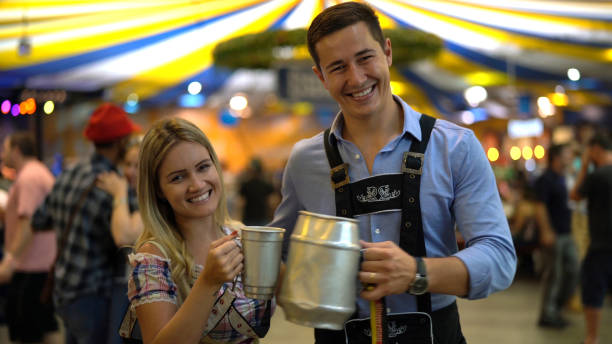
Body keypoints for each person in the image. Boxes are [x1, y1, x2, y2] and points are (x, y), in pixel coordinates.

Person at [268, 2, 516, 343]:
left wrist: (418, 272)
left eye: (365, 57)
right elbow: (281, 254)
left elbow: (499, 257)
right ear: (320, 76)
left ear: (387, 52)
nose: (356, 78)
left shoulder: (455, 147)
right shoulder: (304, 160)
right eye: (338, 67)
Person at [119, 117, 274, 344]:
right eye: (178, 177)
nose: (198, 185)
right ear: (159, 190)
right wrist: (208, 282)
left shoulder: (241, 235)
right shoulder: (153, 258)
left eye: (203, 167)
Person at [31, 103, 140, 344]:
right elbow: (128, 237)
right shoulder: (113, 184)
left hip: (63, 289)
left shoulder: (69, 172)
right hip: (94, 294)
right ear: (121, 142)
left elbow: (38, 220)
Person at [0, 132, 62, 344]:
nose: (2, 154)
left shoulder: (29, 177)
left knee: (31, 327)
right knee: (42, 323)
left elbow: (28, 223)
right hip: (37, 262)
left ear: (16, 151)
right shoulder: (36, 172)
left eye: (5, 149)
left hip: (33, 265)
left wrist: (9, 260)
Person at [96, 137, 144, 344]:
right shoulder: (136, 195)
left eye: (137, 166)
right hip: (125, 282)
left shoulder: (152, 200)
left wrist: (120, 192)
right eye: (128, 164)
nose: (130, 172)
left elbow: (123, 236)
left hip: (144, 288)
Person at [570, 133, 612, 344]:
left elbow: (575, 195)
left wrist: (585, 165)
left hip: (601, 245)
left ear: (595, 149)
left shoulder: (597, 176)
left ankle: (591, 338)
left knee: (593, 293)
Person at [533, 144, 580, 329]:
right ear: (557, 157)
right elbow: (540, 206)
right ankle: (548, 314)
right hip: (553, 234)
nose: (570, 157)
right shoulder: (546, 179)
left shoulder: (564, 178)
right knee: (554, 275)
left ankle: (557, 308)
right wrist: (546, 231)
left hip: (567, 233)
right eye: (567, 154)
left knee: (573, 271)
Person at [239, 158, 275, 225]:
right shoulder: (266, 185)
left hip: (249, 217)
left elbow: (241, 203)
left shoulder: (246, 185)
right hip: (262, 217)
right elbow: (271, 203)